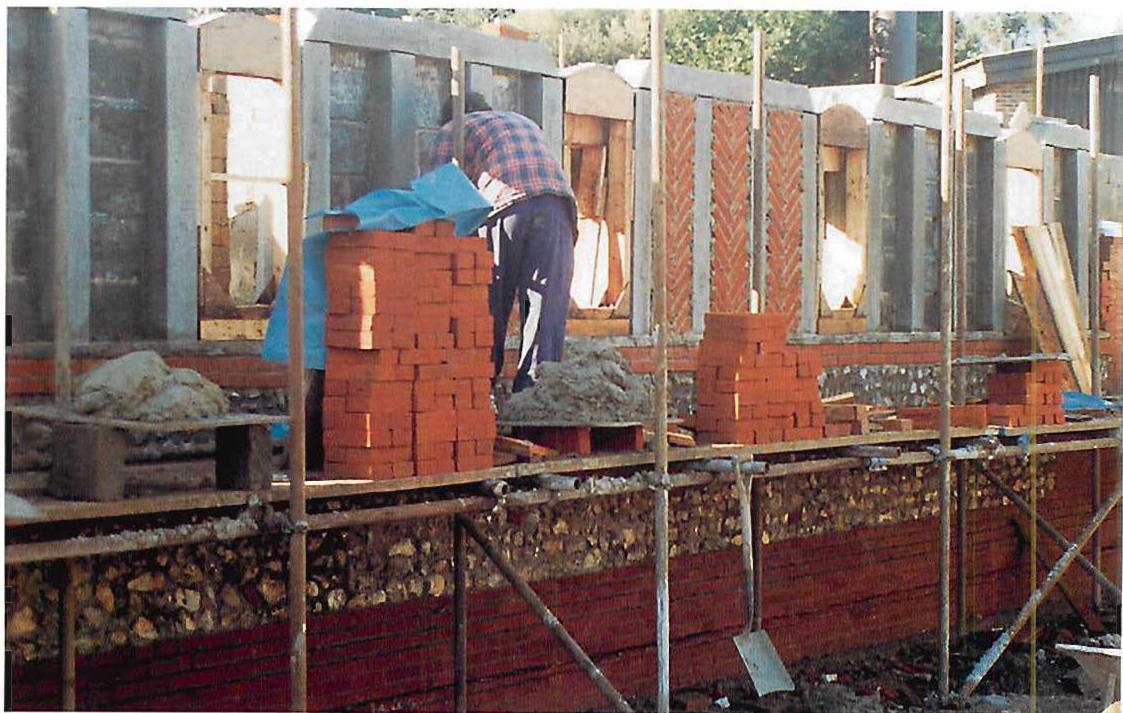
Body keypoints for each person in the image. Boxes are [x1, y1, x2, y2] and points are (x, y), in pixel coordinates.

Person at [426, 93, 576, 393]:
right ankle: (536, 399)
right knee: (546, 309)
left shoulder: (453, 129)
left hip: (508, 207)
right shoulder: (522, 122)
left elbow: (435, 197)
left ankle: (481, 391)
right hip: (559, 208)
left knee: (490, 303)